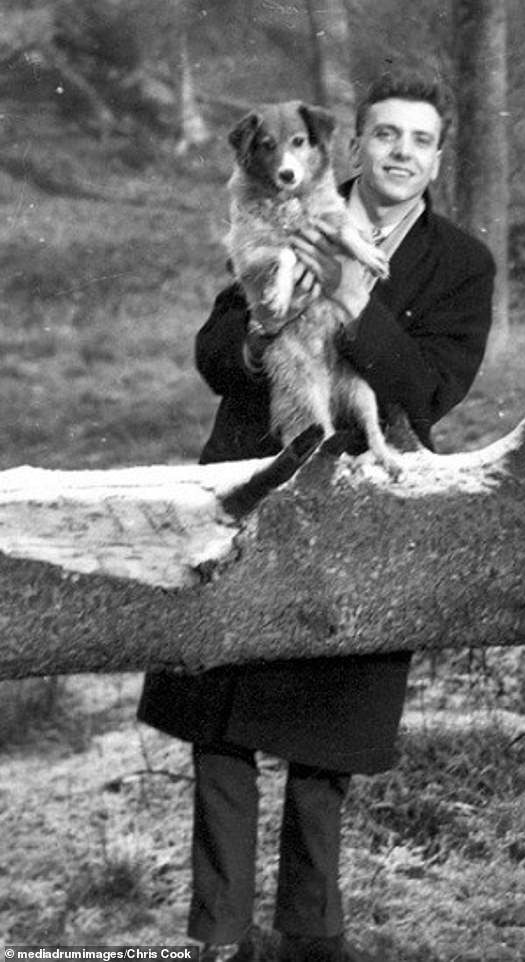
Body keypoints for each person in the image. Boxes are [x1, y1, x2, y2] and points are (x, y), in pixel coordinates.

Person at [137, 71, 495, 962]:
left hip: (363, 501)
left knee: (322, 742)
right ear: (354, 145)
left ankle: (310, 935)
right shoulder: (278, 211)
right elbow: (212, 353)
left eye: (419, 139)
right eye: (385, 135)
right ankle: (218, 936)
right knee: (219, 728)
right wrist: (262, 322)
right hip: (253, 482)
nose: (401, 152)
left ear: (438, 158)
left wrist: (353, 294)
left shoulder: (460, 264)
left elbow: (431, 390)